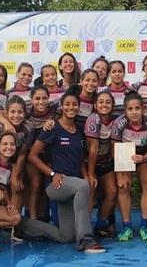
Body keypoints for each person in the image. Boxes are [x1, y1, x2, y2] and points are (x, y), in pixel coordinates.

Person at [17, 87, 106, 253]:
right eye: (67, 104)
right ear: (61, 107)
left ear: (79, 108)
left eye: (74, 105)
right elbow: (32, 156)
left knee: (65, 236)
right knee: (82, 186)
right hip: (56, 184)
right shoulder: (53, 128)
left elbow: (80, 161)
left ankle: (20, 223)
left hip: (74, 186)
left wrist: (86, 177)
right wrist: (52, 173)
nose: (71, 107)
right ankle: (86, 239)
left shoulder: (79, 132)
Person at [111, 90, 147, 241]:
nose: (134, 112)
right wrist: (120, 174)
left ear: (143, 109)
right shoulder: (119, 124)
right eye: (130, 109)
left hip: (143, 157)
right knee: (123, 186)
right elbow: (114, 150)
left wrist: (144, 158)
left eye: (137, 108)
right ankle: (127, 226)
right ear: (125, 110)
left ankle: (145, 225)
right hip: (124, 156)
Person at [0, 95, 33, 216]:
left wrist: (16, 175)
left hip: (14, 161)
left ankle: (15, 221)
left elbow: (23, 153)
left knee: (17, 186)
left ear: (24, 113)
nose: (16, 115)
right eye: (12, 112)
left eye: (20, 112)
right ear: (7, 113)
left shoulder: (28, 128)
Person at [84, 90, 117, 237]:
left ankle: (101, 224)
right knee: (91, 190)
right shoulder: (93, 119)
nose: (104, 104)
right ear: (95, 105)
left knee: (112, 192)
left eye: (108, 102)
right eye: (101, 102)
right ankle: (84, 229)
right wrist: (91, 174)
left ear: (113, 105)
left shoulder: (116, 120)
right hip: (89, 163)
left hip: (106, 163)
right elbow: (93, 149)